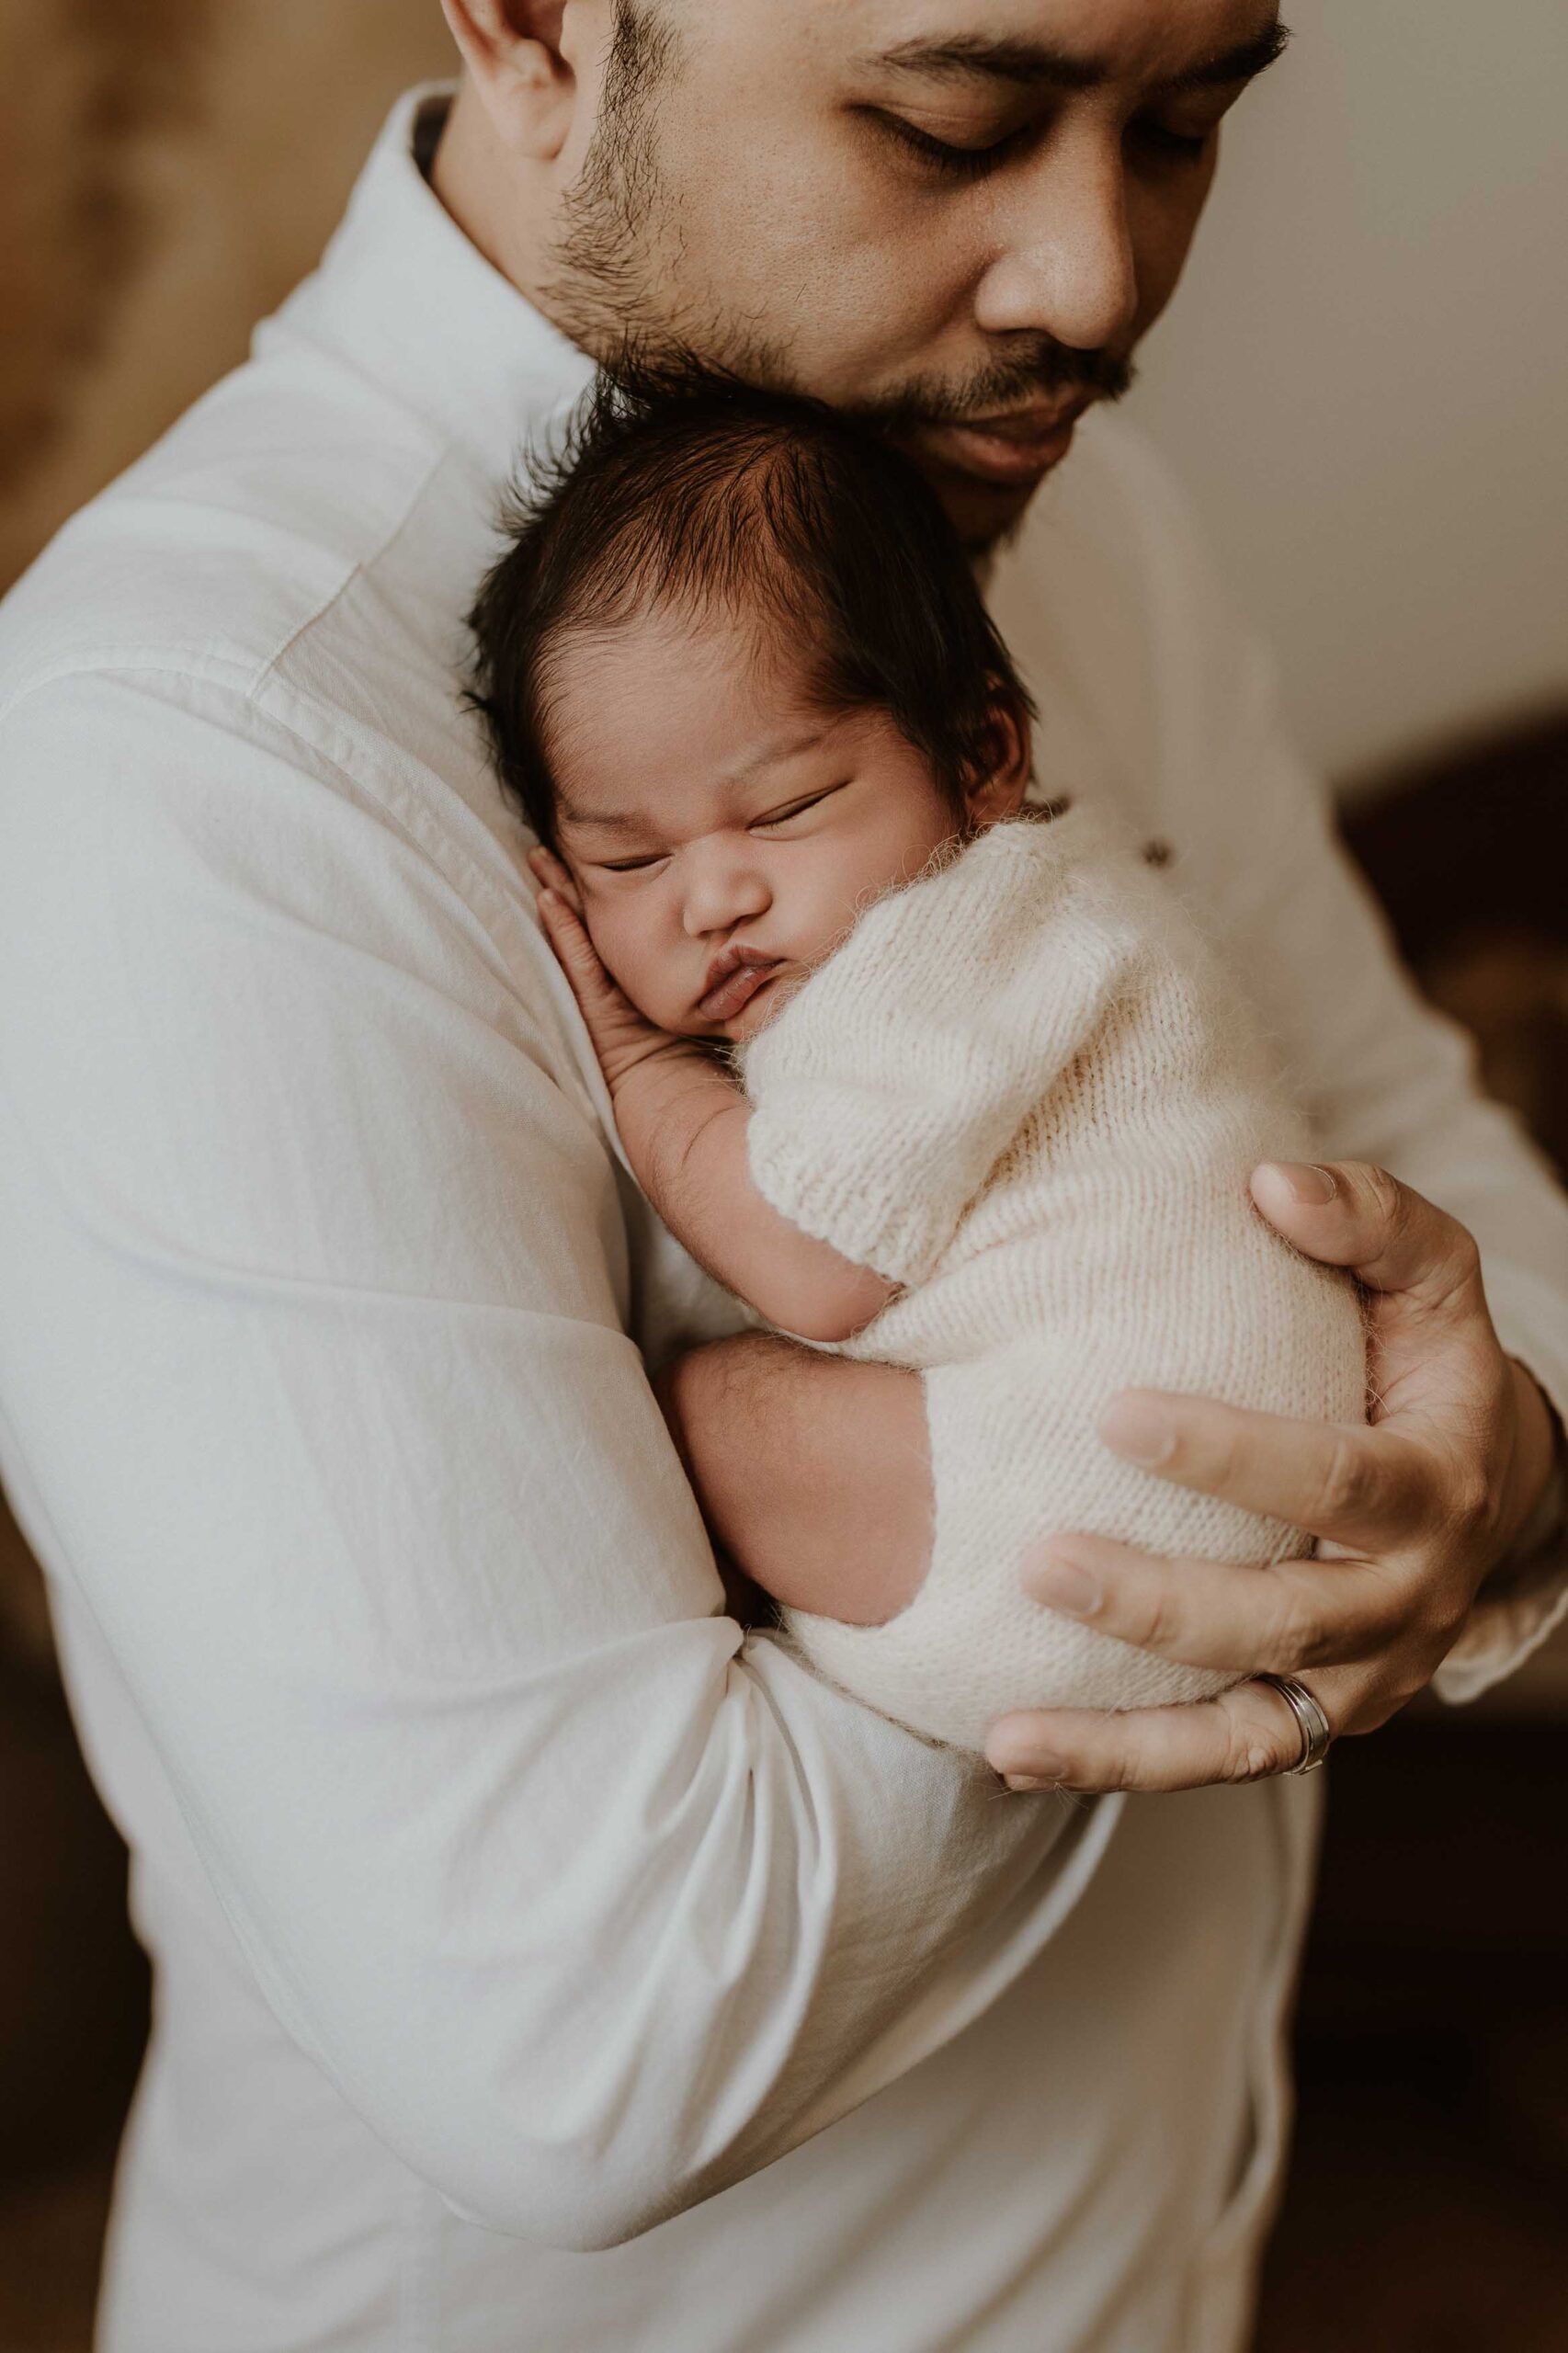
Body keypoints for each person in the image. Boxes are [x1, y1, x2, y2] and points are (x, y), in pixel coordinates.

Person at [0, 5, 1562, 2347]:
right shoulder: (186, 769)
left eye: (1182, 125)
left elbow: (1425, 1163)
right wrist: (1209, 1528)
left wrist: (1494, 1461)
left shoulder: (1059, 515)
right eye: (952, 122)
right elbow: (587, 2031)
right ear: (536, 21)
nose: (1098, 278)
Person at [470, 367, 1368, 1747]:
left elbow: (813, 1263)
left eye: (785, 808)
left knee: (710, 1403)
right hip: (1225, 1500)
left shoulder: (944, 941)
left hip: (1092, 1506)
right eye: (629, 861)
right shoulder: (1074, 911)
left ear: (981, 754)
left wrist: (639, 1064)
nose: (711, 898)